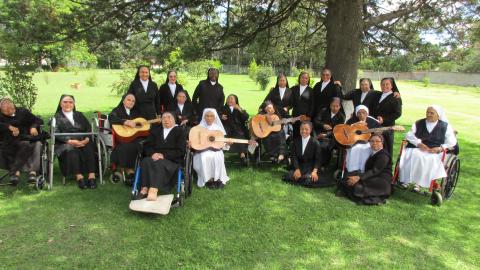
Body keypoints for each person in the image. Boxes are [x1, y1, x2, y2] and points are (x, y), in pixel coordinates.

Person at [398, 105, 457, 192]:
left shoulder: (445, 126)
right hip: (417, 147)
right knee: (414, 154)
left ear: (438, 115)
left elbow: (452, 141)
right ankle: (406, 180)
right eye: (427, 112)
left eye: (431, 113)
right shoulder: (419, 123)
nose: (428, 115)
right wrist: (418, 143)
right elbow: (409, 135)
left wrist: (440, 148)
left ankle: (418, 183)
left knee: (428, 158)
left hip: (434, 151)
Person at [137, 112, 186, 201]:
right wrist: (153, 154)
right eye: (164, 118)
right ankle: (144, 189)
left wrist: (163, 155)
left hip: (172, 160)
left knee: (159, 163)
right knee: (146, 161)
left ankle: (153, 190)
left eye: (169, 117)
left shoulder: (180, 131)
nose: (166, 119)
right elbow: (147, 146)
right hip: (154, 156)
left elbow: (181, 151)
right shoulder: (156, 130)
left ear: (174, 119)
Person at [53, 95, 97, 189]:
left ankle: (91, 176)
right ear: (61, 104)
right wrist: (70, 141)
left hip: (83, 140)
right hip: (65, 142)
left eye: (70, 102)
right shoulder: (56, 117)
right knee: (72, 150)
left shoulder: (79, 115)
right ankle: (79, 177)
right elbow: (55, 133)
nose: (68, 104)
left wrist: (87, 139)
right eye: (65, 102)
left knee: (90, 146)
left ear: (73, 104)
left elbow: (88, 128)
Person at [337, 133, 392, 205]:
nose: (374, 143)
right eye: (372, 141)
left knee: (356, 186)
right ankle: (347, 192)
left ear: (382, 143)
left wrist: (359, 177)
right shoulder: (374, 152)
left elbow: (375, 170)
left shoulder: (383, 155)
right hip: (372, 176)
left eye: (377, 141)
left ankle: (376, 199)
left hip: (381, 180)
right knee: (348, 179)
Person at [0, 98, 43, 185]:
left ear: (14, 106)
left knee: (37, 144)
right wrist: (9, 127)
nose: (9, 112)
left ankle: (32, 172)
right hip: (8, 141)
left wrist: (33, 127)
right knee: (24, 144)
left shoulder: (22, 112)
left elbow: (38, 120)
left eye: (11, 110)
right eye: (6, 112)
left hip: (27, 137)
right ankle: (16, 172)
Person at [192, 108, 230, 189]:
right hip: (202, 151)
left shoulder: (218, 129)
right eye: (207, 116)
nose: (209, 118)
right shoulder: (198, 128)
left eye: (212, 116)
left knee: (218, 156)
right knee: (205, 157)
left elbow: (221, 144)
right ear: (204, 117)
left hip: (216, 150)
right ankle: (208, 180)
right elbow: (194, 142)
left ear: (215, 117)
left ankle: (218, 178)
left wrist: (227, 143)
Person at [108, 93, 141, 184]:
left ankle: (134, 170)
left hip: (134, 138)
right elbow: (111, 119)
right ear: (123, 101)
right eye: (129, 100)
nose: (131, 102)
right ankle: (128, 171)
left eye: (133, 101)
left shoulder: (136, 112)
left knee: (139, 145)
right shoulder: (117, 110)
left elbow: (140, 123)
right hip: (120, 138)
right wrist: (124, 121)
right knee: (125, 147)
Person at [283, 121, 322, 187]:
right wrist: (297, 169)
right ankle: (302, 178)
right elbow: (294, 157)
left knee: (308, 180)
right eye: (302, 129)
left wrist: (314, 172)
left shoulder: (315, 143)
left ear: (310, 130)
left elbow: (318, 159)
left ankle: (306, 178)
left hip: (309, 167)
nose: (304, 131)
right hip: (299, 165)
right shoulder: (295, 142)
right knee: (288, 176)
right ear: (299, 130)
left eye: (306, 129)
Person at [344, 105, 380, 173]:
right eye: (359, 113)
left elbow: (379, 132)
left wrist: (377, 133)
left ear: (367, 113)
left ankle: (363, 169)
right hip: (354, 142)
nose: (361, 115)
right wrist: (355, 124)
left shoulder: (373, 121)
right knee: (354, 149)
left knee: (366, 149)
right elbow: (346, 131)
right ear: (356, 114)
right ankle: (352, 169)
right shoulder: (352, 120)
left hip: (368, 142)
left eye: (364, 113)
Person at [372, 77, 402, 156]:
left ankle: (386, 167)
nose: (384, 86)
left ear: (392, 86)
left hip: (387, 128)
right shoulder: (378, 95)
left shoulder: (395, 97)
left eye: (387, 84)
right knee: (375, 147)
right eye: (382, 84)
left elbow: (398, 113)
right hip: (375, 126)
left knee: (386, 148)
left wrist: (384, 119)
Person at [313, 97, 345, 168]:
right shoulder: (324, 111)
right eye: (333, 106)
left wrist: (326, 134)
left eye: (337, 106)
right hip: (318, 132)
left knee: (324, 146)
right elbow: (316, 121)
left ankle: (323, 164)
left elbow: (338, 130)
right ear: (330, 105)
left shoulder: (341, 117)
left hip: (331, 136)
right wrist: (323, 125)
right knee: (313, 142)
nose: (335, 108)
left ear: (340, 107)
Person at [220, 94, 250, 164]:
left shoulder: (239, 109)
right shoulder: (222, 109)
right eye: (228, 98)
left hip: (238, 130)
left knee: (240, 135)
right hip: (226, 130)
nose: (229, 100)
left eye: (231, 98)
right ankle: (221, 156)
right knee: (224, 136)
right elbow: (215, 116)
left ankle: (242, 156)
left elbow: (246, 117)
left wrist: (239, 109)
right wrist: (220, 116)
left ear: (236, 101)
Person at [290, 71, 314, 138]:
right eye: (302, 77)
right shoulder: (293, 89)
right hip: (295, 115)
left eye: (306, 78)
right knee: (295, 134)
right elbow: (288, 99)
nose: (304, 79)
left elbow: (312, 105)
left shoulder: (311, 91)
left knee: (304, 135)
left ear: (308, 80)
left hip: (305, 117)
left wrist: (309, 116)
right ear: (299, 78)